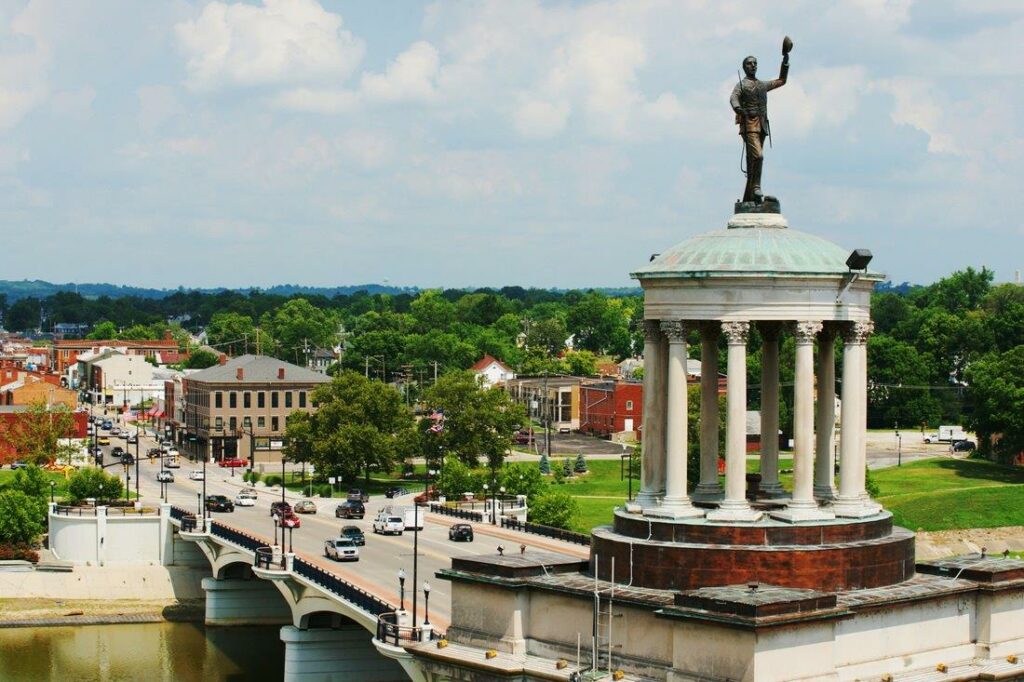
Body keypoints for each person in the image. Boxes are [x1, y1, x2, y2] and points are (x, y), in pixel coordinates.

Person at [730, 38, 792, 204]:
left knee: (752, 162)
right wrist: (738, 109)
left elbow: (781, 81)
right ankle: (756, 188)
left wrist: (785, 60)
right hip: (749, 124)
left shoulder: (762, 85)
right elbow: (733, 98)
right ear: (745, 67)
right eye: (750, 63)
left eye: (755, 63)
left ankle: (749, 198)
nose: (753, 66)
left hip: (762, 126)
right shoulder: (741, 85)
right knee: (758, 156)